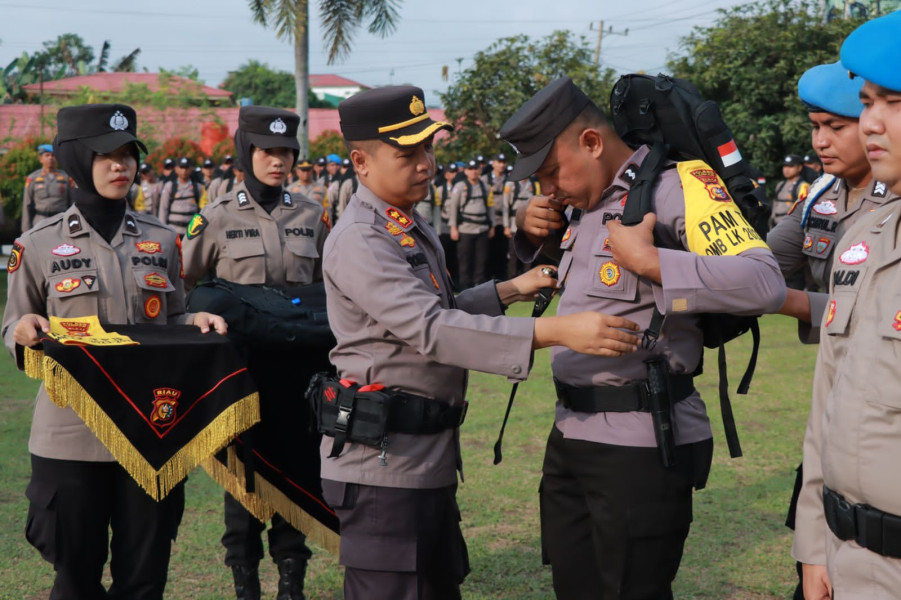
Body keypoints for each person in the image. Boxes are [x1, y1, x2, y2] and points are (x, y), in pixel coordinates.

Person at [318, 84, 643, 600]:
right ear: (360, 161)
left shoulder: (402, 222)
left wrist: (511, 288)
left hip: (420, 458)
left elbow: (437, 311)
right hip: (383, 467)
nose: (426, 164)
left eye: (428, 148)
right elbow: (431, 329)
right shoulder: (362, 236)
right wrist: (555, 330)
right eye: (408, 154)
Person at [502, 76, 785, 599]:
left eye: (549, 172)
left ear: (591, 143)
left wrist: (652, 262)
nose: (547, 189)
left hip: (640, 444)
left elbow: (764, 282)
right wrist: (529, 233)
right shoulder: (581, 204)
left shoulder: (676, 186)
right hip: (570, 435)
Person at [1, 103, 226, 600]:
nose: (120, 165)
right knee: (75, 577)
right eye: (106, 155)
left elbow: (169, 318)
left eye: (128, 154)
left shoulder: (162, 239)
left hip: (151, 430)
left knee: (144, 579)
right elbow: (13, 320)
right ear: (77, 160)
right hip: (69, 433)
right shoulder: (36, 245)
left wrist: (195, 320)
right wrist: (22, 328)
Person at [182, 105, 329, 600]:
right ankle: (245, 584)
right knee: (242, 478)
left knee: (297, 471)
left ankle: (292, 582)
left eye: (287, 151)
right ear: (247, 154)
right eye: (268, 150)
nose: (279, 160)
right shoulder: (216, 217)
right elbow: (187, 286)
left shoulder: (312, 215)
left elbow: (329, 287)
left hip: (300, 372)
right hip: (240, 371)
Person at [766, 59, 898, 600]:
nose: (823, 140)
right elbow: (760, 265)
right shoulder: (821, 197)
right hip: (847, 511)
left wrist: (793, 302)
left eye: (835, 125)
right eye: (867, 106)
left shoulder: (884, 201)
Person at [446, 158, 493, 289]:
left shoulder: (485, 186)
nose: (473, 172)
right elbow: (453, 208)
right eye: (470, 169)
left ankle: (481, 287)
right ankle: (465, 287)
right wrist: (453, 228)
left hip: (482, 227)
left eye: (476, 169)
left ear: (480, 170)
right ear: (466, 171)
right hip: (465, 228)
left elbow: (490, 207)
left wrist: (492, 225)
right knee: (465, 260)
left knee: (482, 260)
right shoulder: (460, 186)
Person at [21, 143, 74, 232]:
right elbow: (27, 205)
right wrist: (25, 230)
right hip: (40, 221)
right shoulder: (33, 178)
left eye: (53, 155)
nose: (50, 158)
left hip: (61, 221)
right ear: (40, 159)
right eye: (47, 155)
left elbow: (72, 203)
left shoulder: (66, 178)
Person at [158, 157, 208, 236]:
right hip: (173, 231)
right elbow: (163, 209)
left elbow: (204, 209)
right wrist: (163, 230)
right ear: (176, 169)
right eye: (181, 168)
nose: (184, 171)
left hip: (192, 232)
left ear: (191, 169)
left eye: (186, 168)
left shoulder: (198, 187)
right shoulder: (170, 186)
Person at [484, 152, 509, 279]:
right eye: (499, 162)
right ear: (493, 163)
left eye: (504, 162)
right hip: (488, 220)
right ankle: (487, 277)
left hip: (504, 221)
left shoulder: (509, 180)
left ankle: (501, 277)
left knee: (502, 251)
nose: (502, 165)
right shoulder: (485, 179)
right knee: (487, 251)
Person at [773, 154, 811, 227]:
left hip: (791, 226)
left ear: (799, 168)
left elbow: (804, 209)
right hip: (776, 225)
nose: (786, 169)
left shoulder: (803, 186)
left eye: (791, 166)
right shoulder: (780, 185)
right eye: (785, 166)